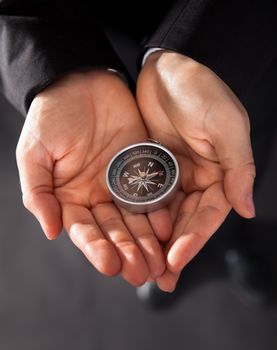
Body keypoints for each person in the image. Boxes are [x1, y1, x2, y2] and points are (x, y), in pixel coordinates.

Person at [0, 0, 276, 296]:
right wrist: (60, 65)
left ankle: (234, 240)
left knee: (232, 160)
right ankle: (175, 255)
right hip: (101, 32)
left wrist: (200, 49)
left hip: (240, 43)